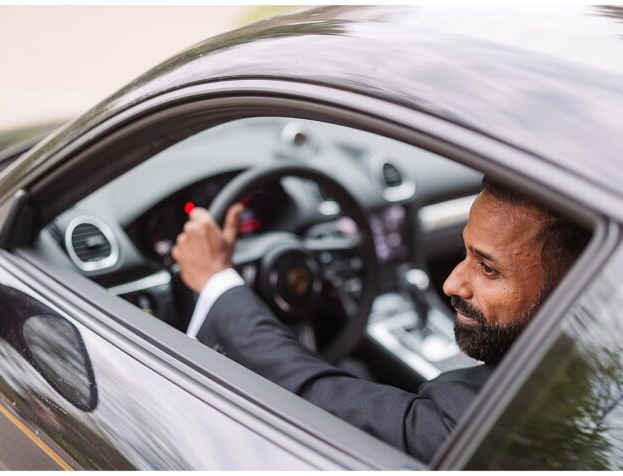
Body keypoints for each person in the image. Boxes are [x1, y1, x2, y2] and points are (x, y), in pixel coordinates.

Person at [171, 177, 590, 462]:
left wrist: (217, 283)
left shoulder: (483, 424)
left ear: (573, 288)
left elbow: (316, 399)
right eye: (465, 254)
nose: (450, 284)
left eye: (488, 268)